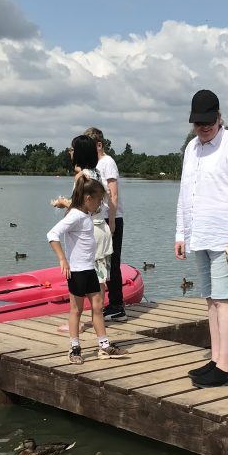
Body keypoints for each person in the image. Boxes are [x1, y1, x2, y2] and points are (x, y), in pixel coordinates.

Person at [175, 89, 228, 388]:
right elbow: (185, 192)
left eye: (208, 122)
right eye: (198, 123)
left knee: (224, 300)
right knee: (210, 300)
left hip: (225, 237)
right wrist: (181, 233)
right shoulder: (191, 148)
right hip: (199, 234)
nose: (204, 127)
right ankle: (216, 358)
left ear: (219, 117)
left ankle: (225, 367)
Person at [47, 174, 125, 365]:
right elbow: (52, 234)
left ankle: (104, 345)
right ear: (88, 198)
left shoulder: (86, 214)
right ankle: (74, 348)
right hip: (77, 271)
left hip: (90, 269)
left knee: (98, 307)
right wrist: (63, 259)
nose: (100, 205)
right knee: (76, 310)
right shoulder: (75, 216)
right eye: (98, 200)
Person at [53, 136, 112, 332]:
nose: (70, 152)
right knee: (99, 277)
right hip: (101, 228)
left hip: (87, 230)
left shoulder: (81, 176)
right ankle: (97, 319)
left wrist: (62, 203)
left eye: (72, 149)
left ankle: (76, 323)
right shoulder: (98, 172)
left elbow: (80, 207)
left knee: (80, 274)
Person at [85, 126, 127, 321]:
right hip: (98, 220)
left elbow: (113, 194)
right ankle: (106, 304)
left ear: (99, 145)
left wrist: (111, 221)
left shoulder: (107, 162)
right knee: (101, 261)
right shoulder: (93, 165)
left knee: (113, 262)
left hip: (112, 218)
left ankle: (117, 306)